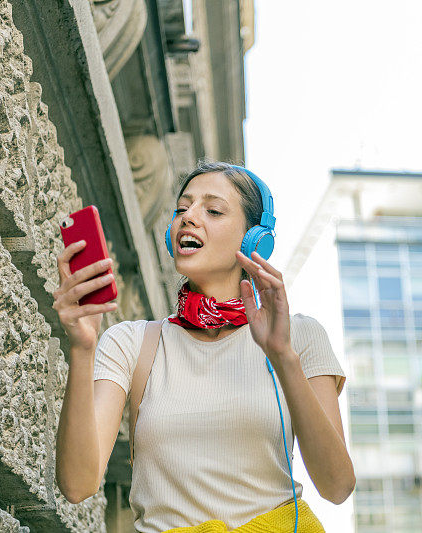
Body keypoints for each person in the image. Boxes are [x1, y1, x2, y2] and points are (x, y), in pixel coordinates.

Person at [53, 160, 354, 532]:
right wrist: (82, 348)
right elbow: (77, 485)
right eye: (182, 209)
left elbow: (338, 486)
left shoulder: (300, 337)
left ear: (254, 240)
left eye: (212, 210)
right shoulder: (131, 342)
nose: (188, 218)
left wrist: (283, 357)